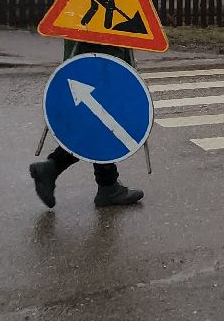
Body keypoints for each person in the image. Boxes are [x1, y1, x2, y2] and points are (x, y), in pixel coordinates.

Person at [28, 41, 145, 208]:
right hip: (102, 50)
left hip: (85, 51)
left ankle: (106, 185)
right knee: (102, 122)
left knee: (96, 123)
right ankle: (107, 187)